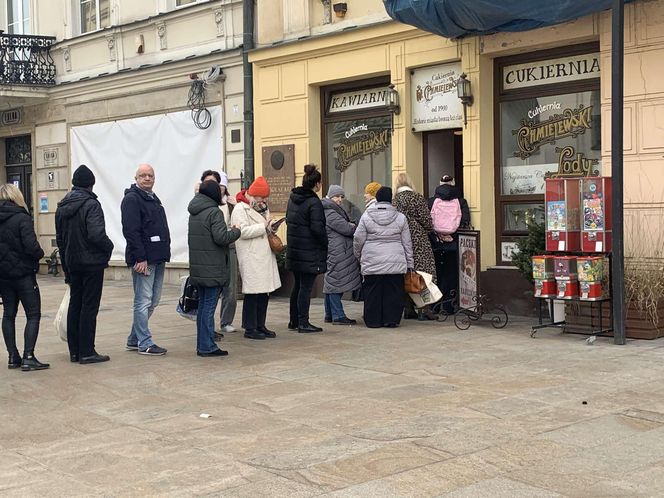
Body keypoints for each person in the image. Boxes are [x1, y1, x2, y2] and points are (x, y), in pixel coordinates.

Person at [55, 165, 114, 364]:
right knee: (89, 306)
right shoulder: (91, 204)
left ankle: (75, 351)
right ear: (91, 184)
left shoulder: (62, 206)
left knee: (75, 304)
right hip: (91, 263)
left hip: (73, 262)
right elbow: (96, 234)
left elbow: (60, 240)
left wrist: (65, 266)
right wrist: (109, 247)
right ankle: (87, 351)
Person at [121, 164, 171, 356]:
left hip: (158, 257)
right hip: (144, 260)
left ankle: (134, 338)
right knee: (143, 301)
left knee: (153, 300)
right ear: (136, 178)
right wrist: (140, 258)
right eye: (143, 175)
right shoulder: (132, 199)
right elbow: (131, 231)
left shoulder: (152, 199)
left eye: (150, 175)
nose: (147, 178)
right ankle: (144, 342)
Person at [188, 180, 241, 356]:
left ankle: (202, 344)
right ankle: (207, 346)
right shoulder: (214, 212)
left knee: (203, 308)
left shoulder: (194, 211)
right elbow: (221, 237)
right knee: (208, 308)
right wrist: (236, 231)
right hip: (212, 268)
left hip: (199, 267)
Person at [0, 184, 47, 371]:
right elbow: (31, 247)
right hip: (24, 275)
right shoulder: (22, 218)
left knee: (8, 314)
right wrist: (39, 254)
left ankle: (13, 356)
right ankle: (29, 356)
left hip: (3, 276)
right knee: (33, 314)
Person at [354, 187, 413, 328]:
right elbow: (407, 242)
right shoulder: (400, 217)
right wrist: (410, 263)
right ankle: (391, 319)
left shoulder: (366, 216)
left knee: (372, 291)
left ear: (377, 198)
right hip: (395, 262)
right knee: (393, 291)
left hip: (372, 260)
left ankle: (373, 320)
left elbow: (358, 238)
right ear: (390, 199)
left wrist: (359, 255)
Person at [231, 176, 281, 340]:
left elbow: (263, 228)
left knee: (263, 292)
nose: (263, 200)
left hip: (263, 254)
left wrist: (271, 227)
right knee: (253, 293)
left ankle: (261, 324)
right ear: (253, 195)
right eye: (261, 197)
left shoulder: (262, 207)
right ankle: (250, 327)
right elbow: (242, 232)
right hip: (251, 255)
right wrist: (263, 227)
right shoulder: (240, 209)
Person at [286, 164, 327, 333]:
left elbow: (289, 221)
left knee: (297, 285)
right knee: (306, 287)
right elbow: (318, 229)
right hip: (309, 251)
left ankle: (294, 320)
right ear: (316, 184)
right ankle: (303, 322)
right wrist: (325, 243)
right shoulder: (313, 202)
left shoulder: (293, 198)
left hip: (295, 250)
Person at [197, 170, 238, 339]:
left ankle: (225, 321)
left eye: (219, 185)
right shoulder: (203, 207)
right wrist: (235, 232)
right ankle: (207, 333)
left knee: (230, 289)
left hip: (228, 249)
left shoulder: (229, 204)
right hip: (211, 253)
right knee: (209, 297)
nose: (216, 188)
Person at [393, 172, 438, 320]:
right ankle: (424, 309)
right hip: (418, 238)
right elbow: (426, 219)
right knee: (423, 275)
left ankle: (408, 308)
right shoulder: (417, 197)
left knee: (406, 274)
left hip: (400, 237)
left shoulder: (395, 200)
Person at [428, 174, 471, 314]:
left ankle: (434, 306)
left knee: (436, 274)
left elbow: (427, 221)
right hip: (453, 244)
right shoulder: (461, 201)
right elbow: (465, 222)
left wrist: (438, 235)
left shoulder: (431, 201)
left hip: (436, 243)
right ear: (453, 183)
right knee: (451, 274)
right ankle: (448, 306)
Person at [322, 185, 360, 325]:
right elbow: (345, 228)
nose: (339, 199)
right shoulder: (330, 211)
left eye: (341, 197)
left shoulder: (331, 209)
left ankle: (329, 314)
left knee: (332, 281)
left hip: (338, 249)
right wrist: (353, 226)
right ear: (330, 196)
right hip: (338, 251)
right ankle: (338, 315)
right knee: (336, 282)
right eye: (337, 196)